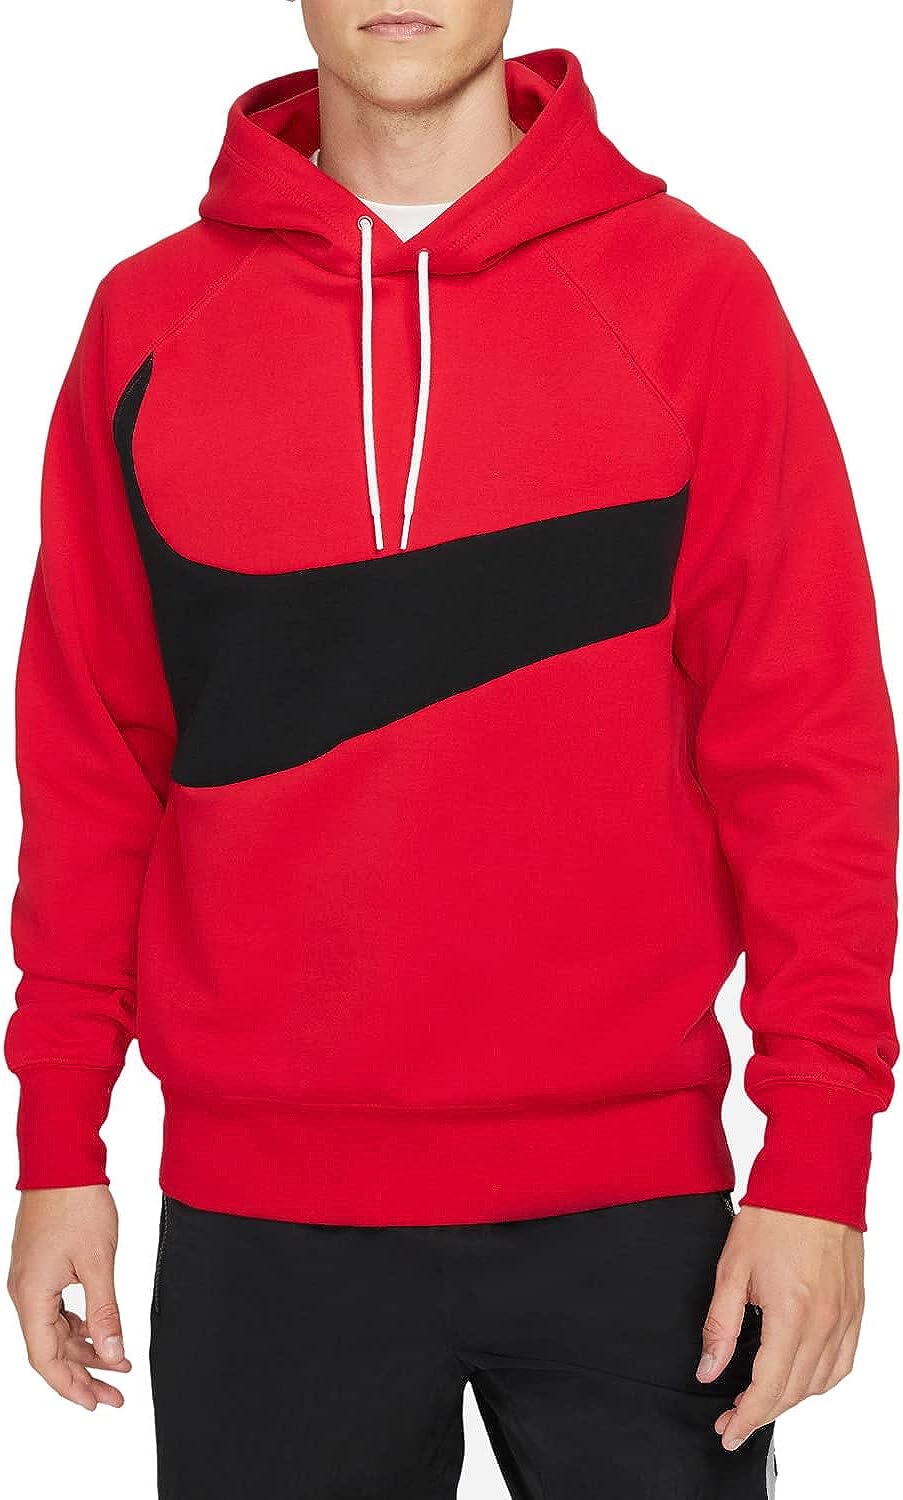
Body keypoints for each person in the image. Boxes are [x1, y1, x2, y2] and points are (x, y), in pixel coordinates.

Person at [4, 3, 899, 1496]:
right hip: (265, 1222)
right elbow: (92, 763)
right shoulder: (150, 320)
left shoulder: (693, 296)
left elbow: (807, 748)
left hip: (636, 1216)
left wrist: (819, 1159)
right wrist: (57, 1145)